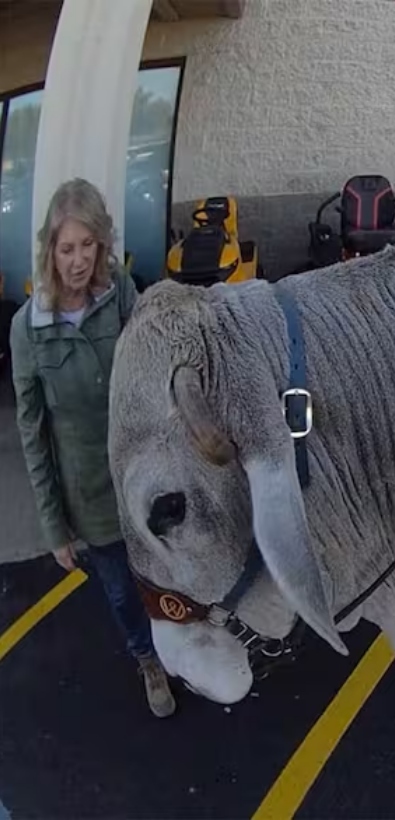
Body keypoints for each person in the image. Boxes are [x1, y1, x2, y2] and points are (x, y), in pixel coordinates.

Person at [9, 178, 176, 718]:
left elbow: (154, 363)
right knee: (123, 591)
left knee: (168, 572)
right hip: (93, 496)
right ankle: (148, 659)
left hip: (147, 473)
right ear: (49, 250)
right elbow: (34, 434)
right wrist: (54, 526)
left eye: (88, 245)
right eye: (67, 248)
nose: (78, 261)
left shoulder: (119, 292)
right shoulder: (28, 331)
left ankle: (182, 649)